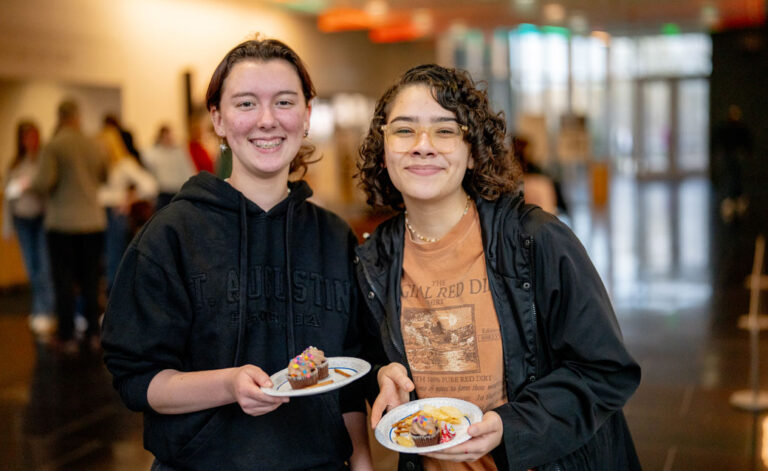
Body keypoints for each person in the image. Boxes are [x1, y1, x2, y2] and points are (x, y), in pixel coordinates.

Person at [101, 37, 373, 471]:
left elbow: (347, 377)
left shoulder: (333, 238)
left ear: (306, 114)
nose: (267, 120)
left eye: (284, 102)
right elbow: (138, 380)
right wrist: (228, 385)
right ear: (219, 119)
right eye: (246, 104)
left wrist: (361, 464)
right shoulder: (171, 235)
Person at [355, 64, 641, 470]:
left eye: (445, 130)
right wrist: (385, 374)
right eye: (404, 130)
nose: (422, 145)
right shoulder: (372, 262)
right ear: (384, 152)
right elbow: (373, 361)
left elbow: (607, 371)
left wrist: (512, 427)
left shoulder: (535, 240)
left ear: (472, 153)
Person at [29, 99, 110, 353]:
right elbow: (104, 176)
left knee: (63, 280)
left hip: (63, 223)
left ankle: (67, 335)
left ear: (59, 117)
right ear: (78, 117)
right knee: (90, 278)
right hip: (93, 221)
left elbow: (44, 182)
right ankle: (93, 332)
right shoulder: (94, 145)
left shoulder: (54, 145)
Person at [2, 120, 55, 338]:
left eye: (34, 136)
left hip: (41, 218)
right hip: (22, 219)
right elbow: (8, 197)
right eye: (27, 137)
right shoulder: (15, 165)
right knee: (31, 266)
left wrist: (32, 185)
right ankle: (38, 308)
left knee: (44, 265)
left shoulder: (44, 161)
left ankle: (47, 310)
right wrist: (6, 227)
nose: (31, 141)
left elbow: (47, 187)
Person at [99, 117, 158, 295]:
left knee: (114, 260)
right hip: (98, 214)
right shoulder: (99, 167)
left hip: (115, 214)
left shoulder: (124, 164)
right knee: (104, 261)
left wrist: (130, 198)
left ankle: (114, 301)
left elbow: (150, 185)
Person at [142, 124, 196, 210]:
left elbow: (187, 171)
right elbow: (148, 165)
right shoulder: (155, 153)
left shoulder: (179, 152)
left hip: (177, 190)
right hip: (162, 192)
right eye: (165, 137)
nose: (167, 139)